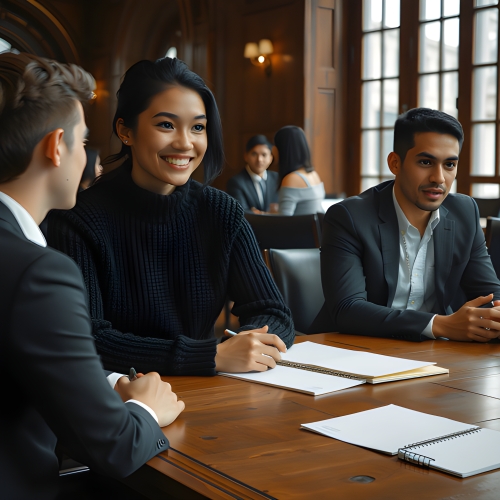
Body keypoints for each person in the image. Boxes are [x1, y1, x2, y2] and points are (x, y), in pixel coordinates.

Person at [0, 53, 184, 499]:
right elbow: (114, 448)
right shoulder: (37, 272)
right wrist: (145, 407)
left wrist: (105, 384)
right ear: (56, 145)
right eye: (83, 144)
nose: (87, 158)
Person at [47, 57, 294, 377]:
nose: (185, 143)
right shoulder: (80, 221)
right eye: (166, 124)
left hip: (209, 389)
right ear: (126, 131)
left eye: (198, 127)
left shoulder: (221, 212)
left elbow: (273, 311)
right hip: (121, 399)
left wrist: (247, 345)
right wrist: (209, 355)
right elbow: (89, 340)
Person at [311, 107, 500, 342]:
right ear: (395, 163)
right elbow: (347, 308)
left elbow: (490, 295)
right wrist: (438, 324)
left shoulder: (464, 212)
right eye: (425, 162)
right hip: (352, 349)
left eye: (449, 165)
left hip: (436, 356)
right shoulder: (349, 217)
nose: (439, 178)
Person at [274, 125, 325, 216]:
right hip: (314, 229)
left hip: (299, 230)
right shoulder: (313, 174)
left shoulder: (292, 179)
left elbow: (283, 222)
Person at [226, 134, 279, 213]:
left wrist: (258, 213)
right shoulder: (235, 182)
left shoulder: (277, 178)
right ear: (246, 156)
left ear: (271, 158)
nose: (259, 159)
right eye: (254, 154)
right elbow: (241, 212)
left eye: (264, 155)